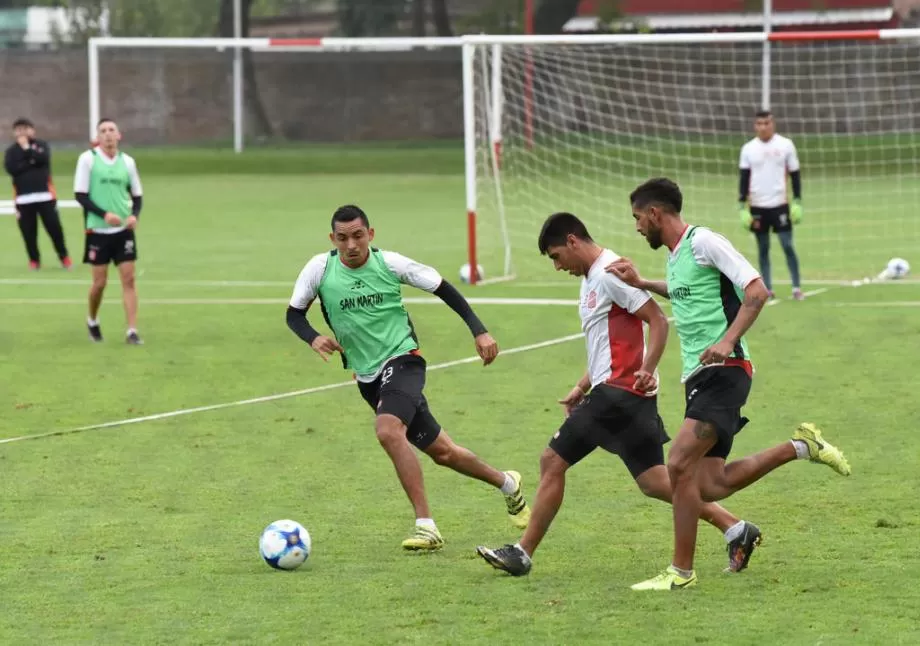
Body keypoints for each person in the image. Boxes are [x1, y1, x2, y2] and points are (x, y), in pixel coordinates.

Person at [475, 212, 762, 578]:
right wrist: (582, 385)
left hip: (621, 393)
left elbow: (657, 320)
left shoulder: (610, 271)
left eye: (556, 256)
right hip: (619, 393)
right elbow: (604, 345)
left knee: (552, 460)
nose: (557, 266)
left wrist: (647, 366)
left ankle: (522, 552)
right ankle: (736, 529)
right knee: (655, 482)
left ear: (573, 241)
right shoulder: (591, 278)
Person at [606, 178, 850, 591]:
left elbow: (757, 291)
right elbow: (685, 293)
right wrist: (643, 284)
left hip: (726, 370)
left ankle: (680, 572)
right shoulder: (676, 255)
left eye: (636, 218)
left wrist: (727, 340)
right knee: (711, 484)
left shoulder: (704, 242)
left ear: (654, 214)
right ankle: (802, 446)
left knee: (678, 465)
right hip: (699, 376)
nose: (636, 228)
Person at [286, 204, 531, 551]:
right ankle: (508, 484)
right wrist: (313, 337)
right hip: (368, 378)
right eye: (343, 238)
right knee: (444, 453)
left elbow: (444, 288)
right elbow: (294, 315)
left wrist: (480, 331)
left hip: (403, 360)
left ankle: (426, 525)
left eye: (358, 236)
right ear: (332, 239)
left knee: (388, 430)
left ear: (370, 234)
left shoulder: (390, 263)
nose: (351, 245)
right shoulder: (319, 268)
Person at [73, 118, 144, 344]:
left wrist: (134, 215)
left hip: (123, 231)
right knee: (99, 283)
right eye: (103, 131)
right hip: (98, 231)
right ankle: (92, 320)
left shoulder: (128, 162)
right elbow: (81, 195)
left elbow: (137, 196)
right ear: (98, 136)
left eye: (111, 130)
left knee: (129, 280)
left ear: (119, 135)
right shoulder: (88, 159)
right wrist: (105, 215)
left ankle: (132, 331)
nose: (107, 134)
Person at [738, 111, 803, 301]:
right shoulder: (748, 149)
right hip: (758, 207)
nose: (763, 127)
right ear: (755, 126)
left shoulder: (785, 145)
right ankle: (767, 288)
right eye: (759, 123)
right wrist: (742, 206)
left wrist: (797, 201)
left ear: (773, 124)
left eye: (767, 123)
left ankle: (796, 287)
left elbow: (795, 174)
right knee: (763, 248)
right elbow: (744, 178)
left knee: (787, 245)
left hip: (780, 205)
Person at [4, 117, 71, 270]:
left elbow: (42, 159)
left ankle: (64, 256)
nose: (22, 132)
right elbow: (12, 169)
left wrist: (27, 149)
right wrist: (30, 161)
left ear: (32, 130)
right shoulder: (11, 152)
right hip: (23, 199)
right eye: (18, 129)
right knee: (28, 232)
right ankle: (34, 260)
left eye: (25, 128)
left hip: (46, 196)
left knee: (54, 228)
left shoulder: (41, 146)